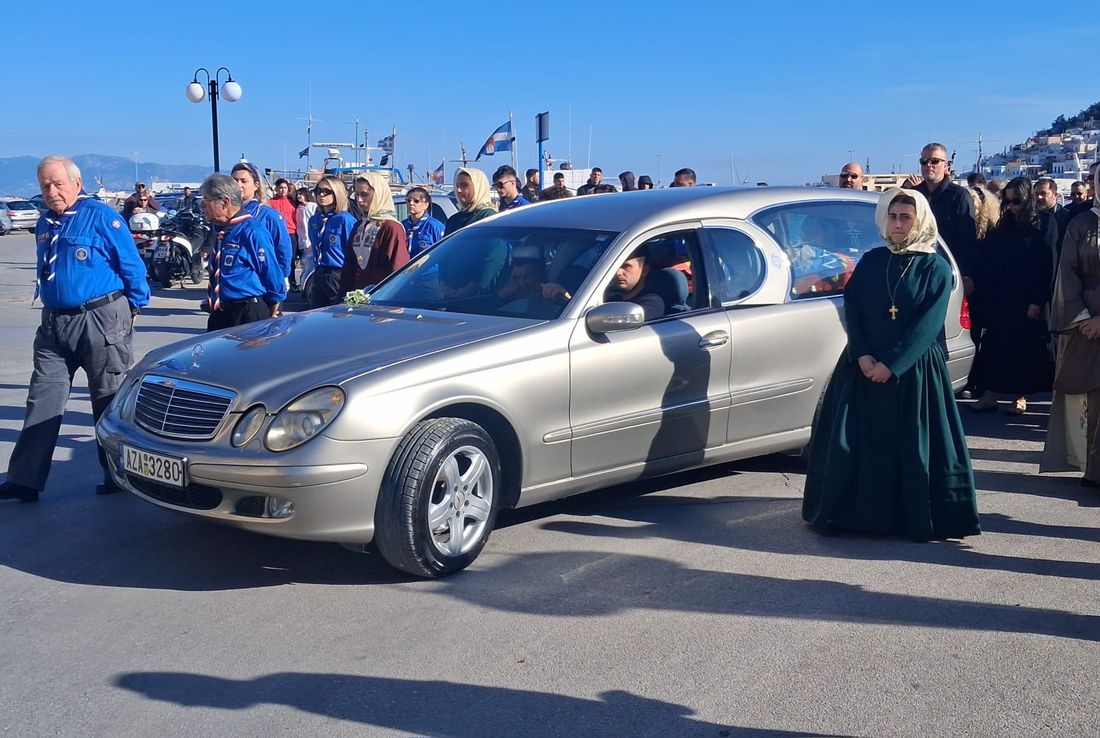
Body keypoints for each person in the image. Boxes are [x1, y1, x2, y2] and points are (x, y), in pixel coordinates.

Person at [802, 187, 980, 541]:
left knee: (912, 446)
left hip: (913, 371)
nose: (897, 225)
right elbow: (853, 308)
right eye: (893, 217)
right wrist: (863, 355)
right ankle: (854, 516)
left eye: (905, 218)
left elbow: (928, 325)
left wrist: (893, 365)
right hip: (862, 365)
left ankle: (912, 517)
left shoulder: (934, 267)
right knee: (856, 442)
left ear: (920, 221)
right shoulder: (872, 260)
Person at [0, 156, 150, 503]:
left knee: (108, 397)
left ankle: (116, 473)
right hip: (54, 322)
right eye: (45, 186)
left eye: (58, 184)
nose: (51, 191)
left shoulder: (102, 216)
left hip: (98, 318)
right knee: (42, 397)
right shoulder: (45, 222)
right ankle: (25, 479)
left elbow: (132, 266)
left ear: (77, 184)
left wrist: (132, 308)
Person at [968, 177, 1056, 414]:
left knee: (1024, 348)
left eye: (1017, 201)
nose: (1012, 206)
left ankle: (1021, 395)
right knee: (994, 345)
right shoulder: (1005, 223)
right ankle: (989, 393)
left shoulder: (1044, 222)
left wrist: (1038, 300)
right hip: (1001, 294)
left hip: (1027, 296)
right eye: (1008, 202)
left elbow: (1047, 263)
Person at [1040, 169, 1100, 487]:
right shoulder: (1081, 224)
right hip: (1085, 323)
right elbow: (1066, 273)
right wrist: (1084, 317)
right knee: (1091, 397)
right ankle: (1093, 468)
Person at [201, 174, 285, 332]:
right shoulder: (220, 231)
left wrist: (274, 305)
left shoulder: (252, 231)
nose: (203, 207)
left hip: (247, 312)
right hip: (220, 313)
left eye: (206, 201)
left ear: (225, 202)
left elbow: (271, 272)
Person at [905, 143, 977, 280]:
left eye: (934, 161)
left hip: (949, 271)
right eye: (924, 161)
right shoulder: (914, 195)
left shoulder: (959, 195)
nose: (928, 165)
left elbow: (967, 240)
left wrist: (965, 275)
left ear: (946, 166)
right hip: (916, 270)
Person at [230, 162, 293, 294]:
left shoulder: (268, 216)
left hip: (260, 288)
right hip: (233, 289)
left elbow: (283, 251)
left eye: (244, 181)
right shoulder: (226, 216)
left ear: (256, 185)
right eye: (235, 181)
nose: (238, 185)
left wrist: (278, 283)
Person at [342, 172, 409, 291]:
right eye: (357, 195)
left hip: (381, 294)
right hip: (356, 294)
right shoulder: (359, 225)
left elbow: (398, 267)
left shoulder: (392, 227)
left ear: (378, 194)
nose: (359, 200)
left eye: (364, 194)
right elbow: (349, 265)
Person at [306, 176, 356, 308]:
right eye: (318, 191)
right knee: (317, 314)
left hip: (337, 274)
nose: (321, 195)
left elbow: (353, 252)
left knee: (337, 313)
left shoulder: (345, 220)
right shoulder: (314, 220)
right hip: (319, 273)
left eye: (327, 191)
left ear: (337, 193)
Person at [603, 246, 664, 321]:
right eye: (615, 267)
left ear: (644, 270)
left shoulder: (652, 303)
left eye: (626, 266)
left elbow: (619, 322)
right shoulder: (608, 295)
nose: (618, 273)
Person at [269, 178, 301, 291]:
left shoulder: (293, 202)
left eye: (285, 188)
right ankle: (276, 283)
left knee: (291, 259)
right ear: (276, 189)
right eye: (281, 188)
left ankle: (292, 282)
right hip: (276, 234)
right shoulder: (270, 202)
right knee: (275, 258)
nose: (283, 190)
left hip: (291, 233)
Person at [444, 168, 496, 236]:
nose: (458, 190)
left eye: (464, 185)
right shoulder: (454, 220)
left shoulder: (489, 217)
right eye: (457, 186)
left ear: (478, 187)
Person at [402, 186, 445, 257]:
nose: (411, 203)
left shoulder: (434, 226)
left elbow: (444, 251)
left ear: (426, 204)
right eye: (408, 200)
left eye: (416, 201)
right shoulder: (403, 225)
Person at [294, 187, 317, 271]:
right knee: (304, 263)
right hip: (302, 239)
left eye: (301, 194)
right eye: (297, 194)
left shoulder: (313, 206)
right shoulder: (298, 208)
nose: (298, 196)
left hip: (312, 238)